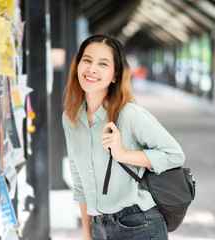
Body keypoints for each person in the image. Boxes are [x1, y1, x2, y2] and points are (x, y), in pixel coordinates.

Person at [62, 35, 185, 240]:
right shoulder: (71, 118)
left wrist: (123, 154)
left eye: (103, 64)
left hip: (138, 223)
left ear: (114, 75)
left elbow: (174, 155)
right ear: (77, 66)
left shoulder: (128, 114)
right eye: (87, 60)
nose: (92, 69)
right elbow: (79, 183)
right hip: (98, 227)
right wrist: (87, 234)